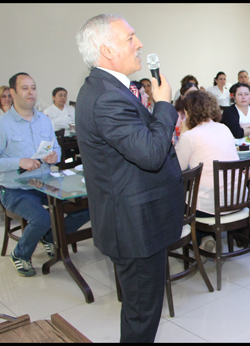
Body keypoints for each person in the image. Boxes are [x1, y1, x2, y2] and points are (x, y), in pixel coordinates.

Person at [74, 14, 183, 343]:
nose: (139, 44)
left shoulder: (110, 88)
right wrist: (164, 104)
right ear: (107, 50)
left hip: (140, 218)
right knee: (141, 314)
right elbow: (150, 154)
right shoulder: (107, 97)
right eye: (130, 38)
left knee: (142, 310)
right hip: (134, 226)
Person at [0, 71, 90, 277]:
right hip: (15, 188)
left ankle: (50, 238)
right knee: (42, 217)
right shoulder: (1, 125)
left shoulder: (44, 120)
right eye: (24, 88)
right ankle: (20, 254)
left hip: (45, 182)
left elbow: (56, 151)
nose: (30, 93)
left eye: (33, 88)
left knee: (90, 205)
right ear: (13, 92)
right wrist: (18, 162)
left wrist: (53, 156)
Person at [176, 90, 239, 252]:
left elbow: (177, 168)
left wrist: (183, 132)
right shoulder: (224, 128)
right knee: (198, 193)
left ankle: (199, 239)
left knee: (179, 200)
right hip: (237, 199)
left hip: (212, 205)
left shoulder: (190, 136)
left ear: (188, 112)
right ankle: (206, 238)